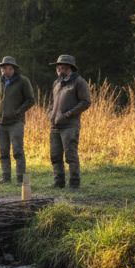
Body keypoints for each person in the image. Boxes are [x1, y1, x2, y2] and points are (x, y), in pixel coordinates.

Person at [0, 56, 35, 184]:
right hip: (0, 123)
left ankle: (20, 179)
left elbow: (30, 100)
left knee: (18, 151)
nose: (5, 71)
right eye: (3, 68)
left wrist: (18, 111)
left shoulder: (23, 81)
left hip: (16, 123)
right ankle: (6, 177)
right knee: (3, 152)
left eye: (8, 68)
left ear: (14, 69)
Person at [47, 54, 91, 190]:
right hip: (55, 126)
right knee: (55, 156)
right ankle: (58, 183)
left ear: (70, 68)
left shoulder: (79, 82)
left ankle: (74, 184)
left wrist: (68, 114)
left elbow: (86, 102)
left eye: (62, 67)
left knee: (70, 156)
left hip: (70, 125)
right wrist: (50, 114)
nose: (59, 70)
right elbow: (52, 102)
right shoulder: (56, 83)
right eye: (58, 68)